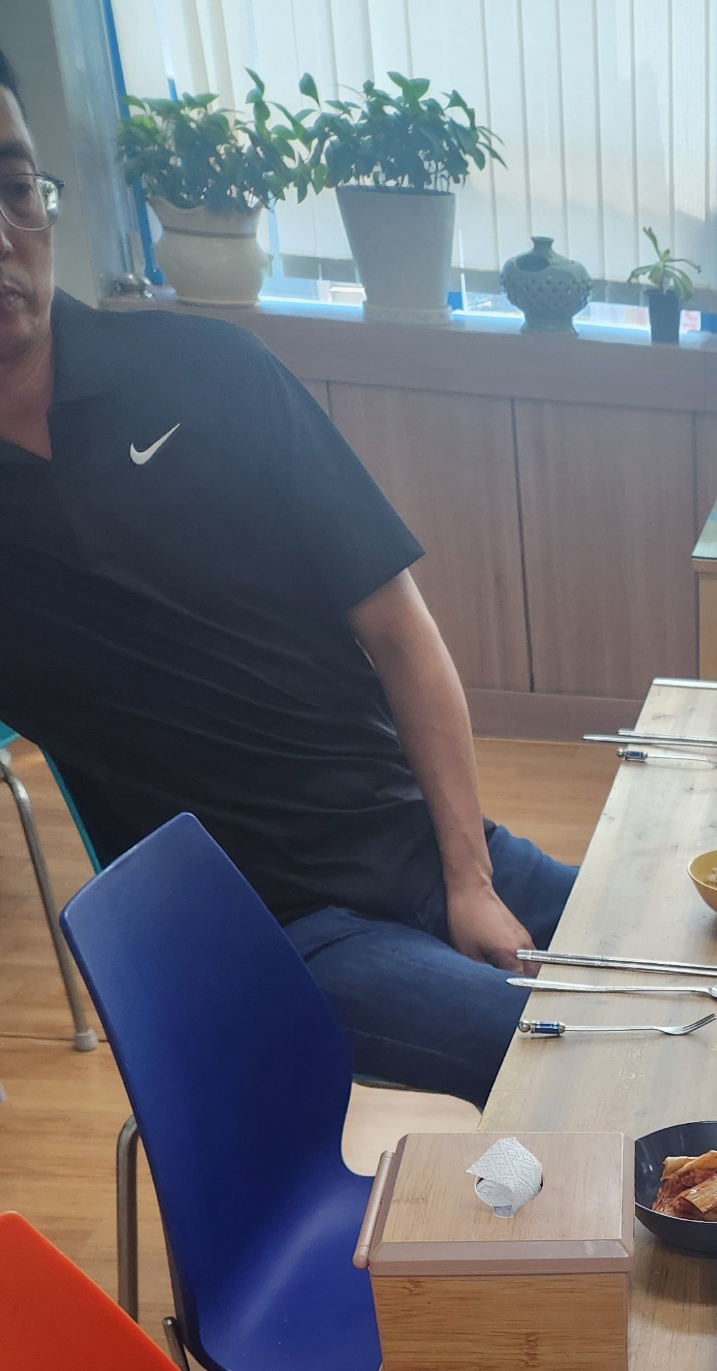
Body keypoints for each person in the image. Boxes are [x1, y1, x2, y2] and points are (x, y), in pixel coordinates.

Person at [0, 57, 571, 1108]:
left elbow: (399, 630)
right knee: (578, 1061)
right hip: (262, 935)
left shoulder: (210, 372)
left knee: (716, 959)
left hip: (422, 840)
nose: (3, 235)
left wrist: (468, 878)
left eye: (14, 186)